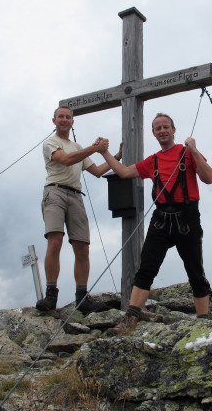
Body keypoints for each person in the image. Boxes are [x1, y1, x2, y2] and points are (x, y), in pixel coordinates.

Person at [99, 112, 212, 335]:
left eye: (166, 127)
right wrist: (104, 152)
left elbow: (209, 177)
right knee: (146, 269)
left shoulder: (187, 152)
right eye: (158, 128)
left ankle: (204, 322)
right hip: (161, 218)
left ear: (173, 130)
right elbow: (123, 172)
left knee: (195, 271)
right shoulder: (152, 161)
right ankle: (130, 320)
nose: (162, 131)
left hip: (187, 217)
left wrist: (193, 150)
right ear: (153, 133)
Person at [37, 105, 122, 314]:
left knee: (82, 247)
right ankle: (50, 295)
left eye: (68, 117)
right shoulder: (50, 143)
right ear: (54, 120)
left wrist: (117, 155)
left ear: (73, 121)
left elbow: (98, 171)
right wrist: (95, 148)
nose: (65, 120)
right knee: (54, 241)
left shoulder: (78, 147)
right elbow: (65, 160)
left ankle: (82, 298)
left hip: (75, 195)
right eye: (61, 117)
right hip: (55, 191)